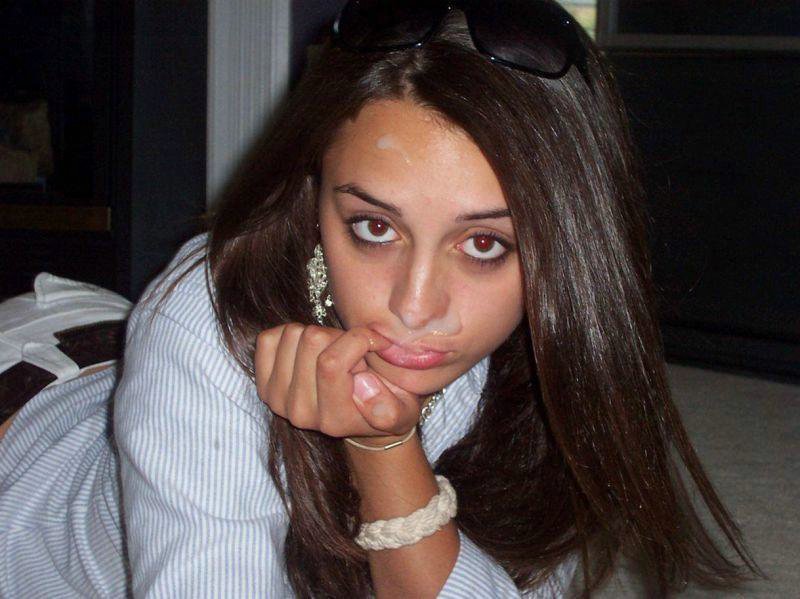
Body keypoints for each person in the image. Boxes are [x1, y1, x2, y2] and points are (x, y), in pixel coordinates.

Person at [0, 1, 766, 597]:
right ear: (312, 199)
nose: (415, 306)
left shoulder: (558, 347)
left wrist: (384, 449)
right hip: (29, 415)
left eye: (485, 243)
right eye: (373, 226)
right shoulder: (204, 318)